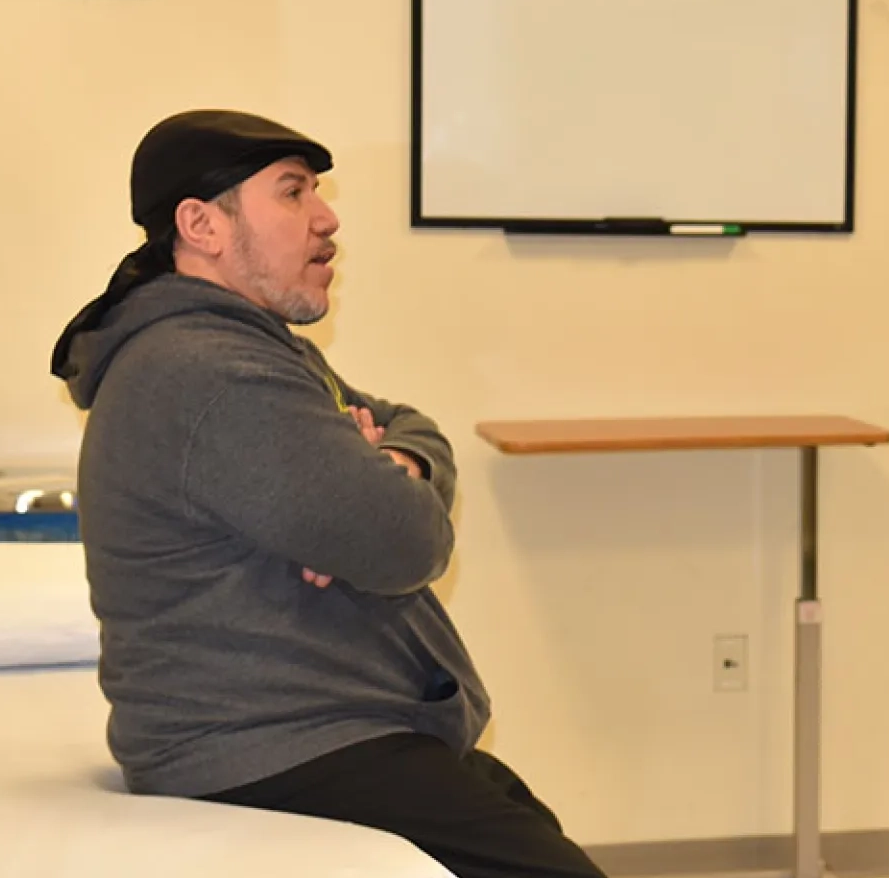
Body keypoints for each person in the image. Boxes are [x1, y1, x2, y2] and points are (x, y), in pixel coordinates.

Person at [50, 110, 605, 878]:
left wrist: (394, 465)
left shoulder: (251, 349)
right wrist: (370, 500)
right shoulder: (209, 371)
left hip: (314, 729)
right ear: (202, 225)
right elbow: (406, 544)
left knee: (525, 818)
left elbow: (413, 426)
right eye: (293, 193)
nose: (326, 218)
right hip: (267, 744)